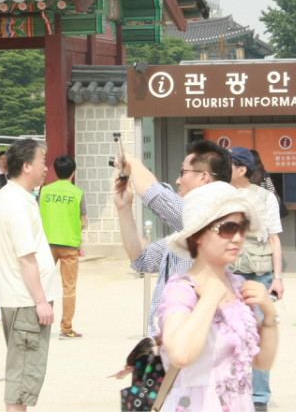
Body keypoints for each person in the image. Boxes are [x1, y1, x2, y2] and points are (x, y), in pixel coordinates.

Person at [158, 181, 279, 412]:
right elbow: (181, 355)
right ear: (198, 235)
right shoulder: (182, 290)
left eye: (242, 227)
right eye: (227, 228)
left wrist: (270, 314)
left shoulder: (240, 286)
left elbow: (262, 362)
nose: (238, 237)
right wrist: (209, 298)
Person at [113, 141, 232, 336]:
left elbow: (156, 196)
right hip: (168, 338)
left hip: (191, 340)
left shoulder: (207, 219)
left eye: (183, 172)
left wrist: (132, 162)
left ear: (203, 177)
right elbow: (143, 259)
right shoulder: (187, 232)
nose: (178, 181)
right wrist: (123, 207)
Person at [0, 138, 58, 411]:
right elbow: (26, 257)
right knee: (21, 381)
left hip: (21, 301)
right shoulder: (16, 202)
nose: (46, 168)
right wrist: (41, 301)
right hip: (26, 301)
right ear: (27, 166)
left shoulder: (13, 197)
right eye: (43, 161)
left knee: (24, 376)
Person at [229, 146, 284, 411]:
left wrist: (278, 278)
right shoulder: (220, 194)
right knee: (228, 332)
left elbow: (274, 238)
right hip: (229, 273)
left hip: (260, 275)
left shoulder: (266, 197)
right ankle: (231, 390)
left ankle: (259, 396)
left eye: (228, 164)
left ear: (242, 169)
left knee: (260, 333)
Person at [38, 155, 87, 339]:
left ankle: (39, 325)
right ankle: (66, 328)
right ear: (73, 172)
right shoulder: (78, 193)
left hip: (46, 245)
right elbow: (83, 222)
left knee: (42, 285)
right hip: (69, 245)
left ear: (55, 171)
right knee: (69, 288)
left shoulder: (45, 191)